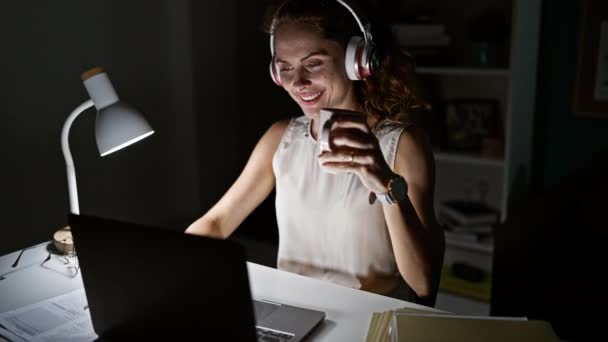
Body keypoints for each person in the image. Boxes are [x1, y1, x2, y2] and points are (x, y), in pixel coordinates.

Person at [186, 0, 445, 305]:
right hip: (295, 315)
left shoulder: (402, 144)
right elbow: (216, 223)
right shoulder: (280, 137)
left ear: (356, 61)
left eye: (313, 64)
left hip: (369, 322)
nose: (298, 82)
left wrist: (386, 185)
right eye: (285, 68)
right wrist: (167, 264)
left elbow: (424, 283)